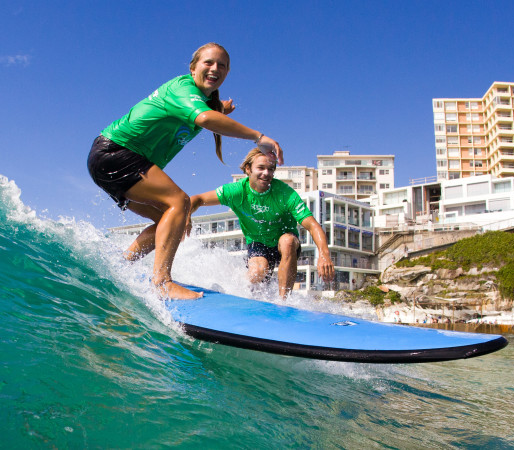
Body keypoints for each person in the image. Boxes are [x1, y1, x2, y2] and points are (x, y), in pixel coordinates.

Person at [88, 43, 282, 300]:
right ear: (193, 68)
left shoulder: (202, 100)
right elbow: (204, 118)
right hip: (117, 153)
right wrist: (258, 137)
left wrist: (222, 108)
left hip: (111, 160)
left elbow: (210, 112)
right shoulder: (182, 88)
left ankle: (122, 265)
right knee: (179, 203)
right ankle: (162, 283)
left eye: (222, 66)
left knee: (170, 222)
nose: (215, 69)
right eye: (208, 63)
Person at [189, 149, 334, 298]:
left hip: (284, 243)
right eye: (261, 168)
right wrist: (186, 216)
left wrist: (324, 255)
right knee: (257, 273)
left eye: (271, 169)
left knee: (288, 241)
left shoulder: (285, 193)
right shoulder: (237, 191)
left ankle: (284, 302)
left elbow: (312, 225)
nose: (266, 173)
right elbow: (197, 199)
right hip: (258, 242)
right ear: (248, 169)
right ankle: (251, 299)